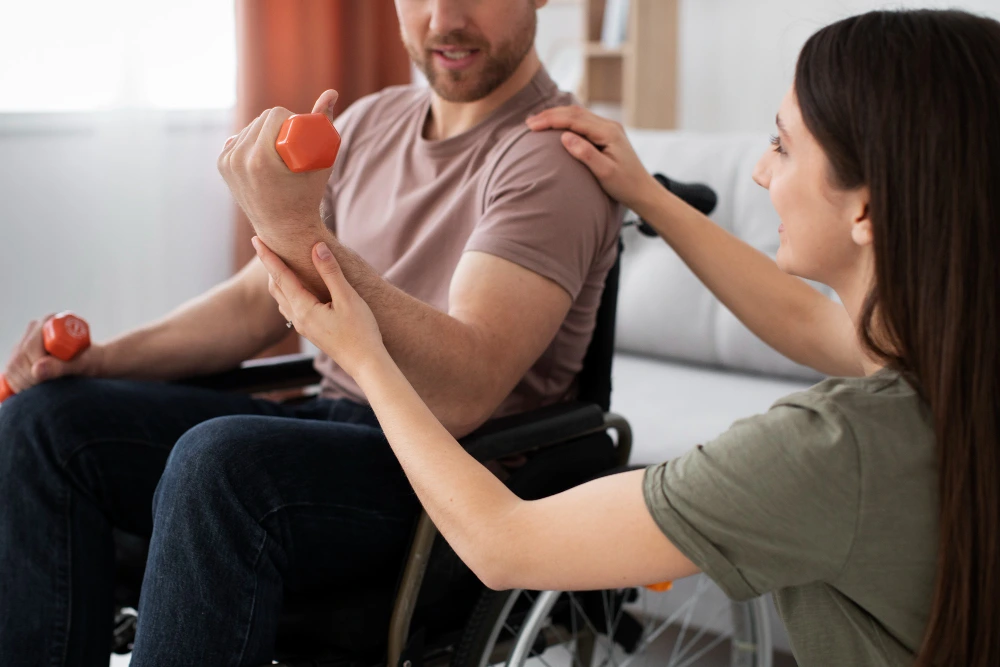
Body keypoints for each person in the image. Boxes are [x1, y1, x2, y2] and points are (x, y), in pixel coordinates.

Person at [254, 9, 1000, 667]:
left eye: (783, 146)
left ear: (865, 211)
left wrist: (365, 351)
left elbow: (503, 543)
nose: (761, 171)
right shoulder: (952, 369)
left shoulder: (833, 451)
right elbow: (815, 323)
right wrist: (648, 195)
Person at [0, 1, 620, 665]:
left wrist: (303, 233)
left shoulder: (553, 160)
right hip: (336, 426)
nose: (444, 19)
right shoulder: (373, 120)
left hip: (445, 470)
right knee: (45, 422)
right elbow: (252, 304)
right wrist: (103, 362)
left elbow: (463, 391)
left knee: (223, 462)